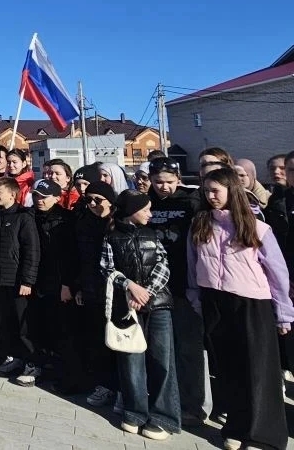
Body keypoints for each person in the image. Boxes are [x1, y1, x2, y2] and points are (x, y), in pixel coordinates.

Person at [188, 168, 293, 450]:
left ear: (231, 191)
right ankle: (235, 427)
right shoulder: (200, 223)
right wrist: (196, 297)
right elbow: (192, 263)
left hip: (250, 303)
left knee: (258, 370)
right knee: (228, 369)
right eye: (206, 191)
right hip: (214, 302)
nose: (210, 197)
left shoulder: (255, 226)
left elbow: (277, 272)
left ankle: (263, 436)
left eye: (216, 191)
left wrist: (284, 312)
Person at [102, 190, 180, 440]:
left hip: (157, 304)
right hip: (127, 304)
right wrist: (130, 287)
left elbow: (163, 264)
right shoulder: (111, 236)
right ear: (130, 211)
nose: (150, 213)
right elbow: (107, 268)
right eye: (145, 209)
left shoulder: (152, 234)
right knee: (131, 360)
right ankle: (134, 411)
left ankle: (163, 416)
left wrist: (146, 292)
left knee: (162, 360)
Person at [146, 157, 208, 424]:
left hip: (184, 285)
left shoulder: (190, 203)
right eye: (158, 182)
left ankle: (193, 405)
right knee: (158, 348)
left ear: (178, 179)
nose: (163, 187)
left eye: (169, 182)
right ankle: (162, 399)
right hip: (154, 286)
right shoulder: (145, 201)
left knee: (188, 348)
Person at [66, 181, 118, 402]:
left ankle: (121, 387)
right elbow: (79, 259)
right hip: (90, 288)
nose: (93, 204)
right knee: (96, 339)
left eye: (98, 200)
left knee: (118, 341)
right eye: (89, 200)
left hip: (116, 290)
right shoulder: (83, 223)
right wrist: (77, 286)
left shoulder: (118, 223)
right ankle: (103, 384)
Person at [0, 177, 41, 384]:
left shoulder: (23, 217)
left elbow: (31, 251)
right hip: (0, 282)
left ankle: (33, 364)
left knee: (23, 325)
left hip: (19, 283)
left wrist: (27, 281)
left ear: (12, 194)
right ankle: (15, 358)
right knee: (6, 323)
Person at [27, 178, 75, 388]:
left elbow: (69, 256)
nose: (39, 200)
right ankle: (38, 365)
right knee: (36, 326)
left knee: (60, 329)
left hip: (58, 282)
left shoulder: (65, 220)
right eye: (36, 195)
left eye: (44, 197)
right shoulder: (29, 216)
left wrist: (67, 283)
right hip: (35, 279)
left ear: (57, 198)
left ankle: (62, 372)